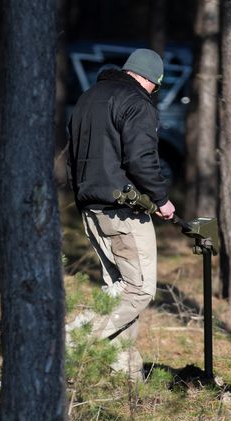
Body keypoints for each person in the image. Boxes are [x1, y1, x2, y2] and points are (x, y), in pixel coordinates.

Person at [66, 48, 175, 381]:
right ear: (151, 79)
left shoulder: (87, 98)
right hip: (122, 211)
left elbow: (72, 156)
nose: (155, 92)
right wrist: (161, 199)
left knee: (118, 287)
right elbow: (142, 159)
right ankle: (68, 345)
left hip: (91, 206)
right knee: (139, 290)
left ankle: (124, 376)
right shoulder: (136, 103)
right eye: (157, 86)